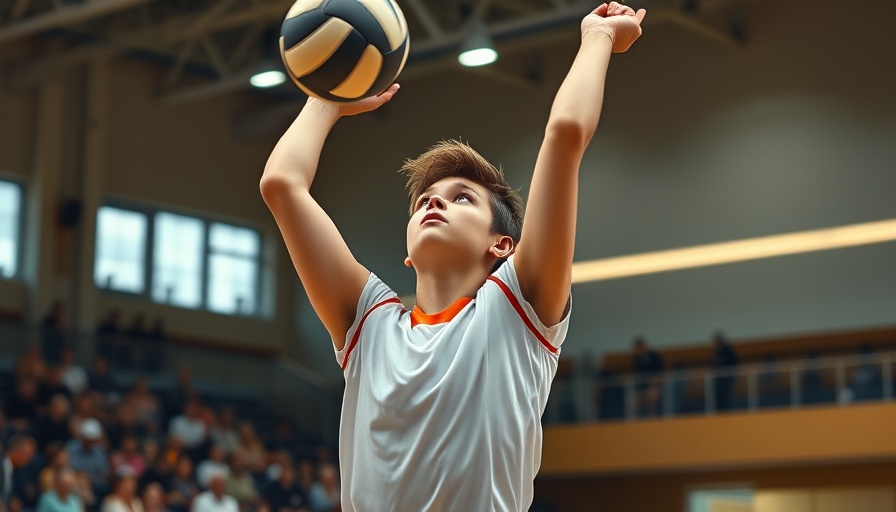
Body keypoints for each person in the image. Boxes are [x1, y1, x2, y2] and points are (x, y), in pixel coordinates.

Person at [259, 2, 646, 510]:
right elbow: (282, 185)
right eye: (424, 200)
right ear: (408, 255)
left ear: (502, 245)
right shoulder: (370, 325)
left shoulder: (516, 310)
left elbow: (565, 134)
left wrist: (598, 37)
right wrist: (328, 98)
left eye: (462, 198)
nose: (434, 203)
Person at [632, 337, 665, 417]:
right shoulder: (636, 360)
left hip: (656, 384)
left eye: (641, 348)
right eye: (638, 349)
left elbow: (661, 372)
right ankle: (634, 419)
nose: (640, 350)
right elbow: (638, 375)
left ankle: (652, 416)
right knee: (633, 399)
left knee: (651, 394)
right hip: (643, 385)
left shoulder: (654, 356)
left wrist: (655, 380)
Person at [711, 331, 739, 411]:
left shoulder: (726, 349)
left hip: (726, 377)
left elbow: (734, 361)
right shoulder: (716, 351)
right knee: (719, 396)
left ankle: (727, 409)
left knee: (727, 395)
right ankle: (720, 409)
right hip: (719, 378)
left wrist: (722, 361)